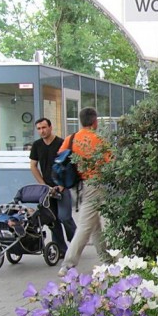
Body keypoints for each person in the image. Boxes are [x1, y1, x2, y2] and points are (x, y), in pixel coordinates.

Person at [57, 107, 110, 276]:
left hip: (78, 186)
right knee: (87, 225)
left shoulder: (71, 139)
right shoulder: (99, 139)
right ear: (95, 122)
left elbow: (61, 157)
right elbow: (111, 161)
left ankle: (107, 260)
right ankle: (68, 264)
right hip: (96, 184)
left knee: (95, 224)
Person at [29, 117, 76, 257]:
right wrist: (42, 185)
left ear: (50, 127)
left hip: (62, 187)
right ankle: (61, 249)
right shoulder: (37, 145)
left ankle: (76, 243)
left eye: (44, 127)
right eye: (39, 129)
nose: (42, 131)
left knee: (64, 217)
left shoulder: (61, 143)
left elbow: (69, 165)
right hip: (47, 189)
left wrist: (62, 185)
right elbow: (33, 165)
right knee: (52, 219)